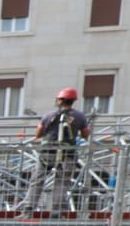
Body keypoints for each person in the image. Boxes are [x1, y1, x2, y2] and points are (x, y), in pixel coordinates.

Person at [17, 87, 91, 215]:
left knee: (37, 180)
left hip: (47, 153)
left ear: (60, 100)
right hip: (67, 153)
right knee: (62, 182)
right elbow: (85, 134)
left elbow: (39, 134)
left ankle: (29, 207)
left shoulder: (49, 116)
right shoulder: (80, 117)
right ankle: (58, 210)